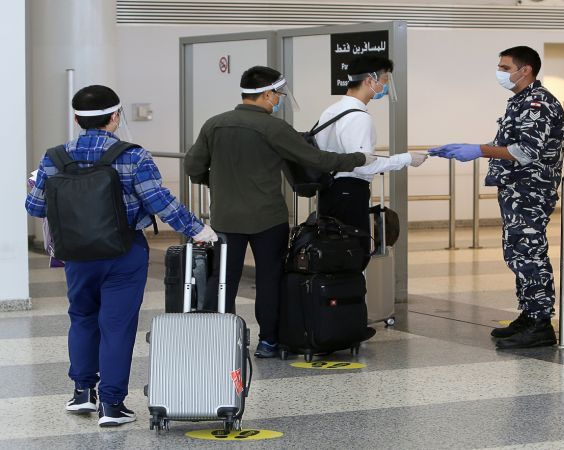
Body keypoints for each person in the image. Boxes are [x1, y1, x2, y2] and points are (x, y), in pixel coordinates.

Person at [25, 85, 217, 427]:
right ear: (114, 117)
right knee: (116, 326)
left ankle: (82, 393)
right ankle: (112, 407)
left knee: (82, 317)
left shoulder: (54, 157)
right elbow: (159, 202)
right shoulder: (132, 156)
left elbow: (35, 207)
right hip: (124, 252)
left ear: (77, 119)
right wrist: (197, 229)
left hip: (77, 254)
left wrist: (42, 183)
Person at [185, 66, 376, 359]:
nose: (279, 100)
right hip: (267, 219)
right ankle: (268, 342)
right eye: (278, 95)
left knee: (222, 279)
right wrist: (358, 158)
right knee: (269, 280)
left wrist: (217, 182)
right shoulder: (274, 128)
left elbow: (193, 167)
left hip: (225, 218)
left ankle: (216, 339)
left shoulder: (214, 124)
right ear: (266, 94)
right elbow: (316, 159)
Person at [429, 46, 564, 349]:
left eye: (505, 68)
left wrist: (479, 150)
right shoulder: (520, 101)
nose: (500, 72)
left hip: (531, 190)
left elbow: (526, 152)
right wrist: (469, 147)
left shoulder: (538, 103)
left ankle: (541, 323)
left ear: (525, 70)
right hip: (517, 190)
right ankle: (529, 315)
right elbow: (509, 143)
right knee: (517, 252)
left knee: (530, 254)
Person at [314, 55, 427, 263]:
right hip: (349, 192)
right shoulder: (359, 117)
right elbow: (363, 165)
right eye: (384, 80)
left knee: (334, 252)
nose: (386, 86)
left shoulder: (332, 111)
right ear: (369, 80)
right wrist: (406, 159)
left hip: (329, 191)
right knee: (353, 252)